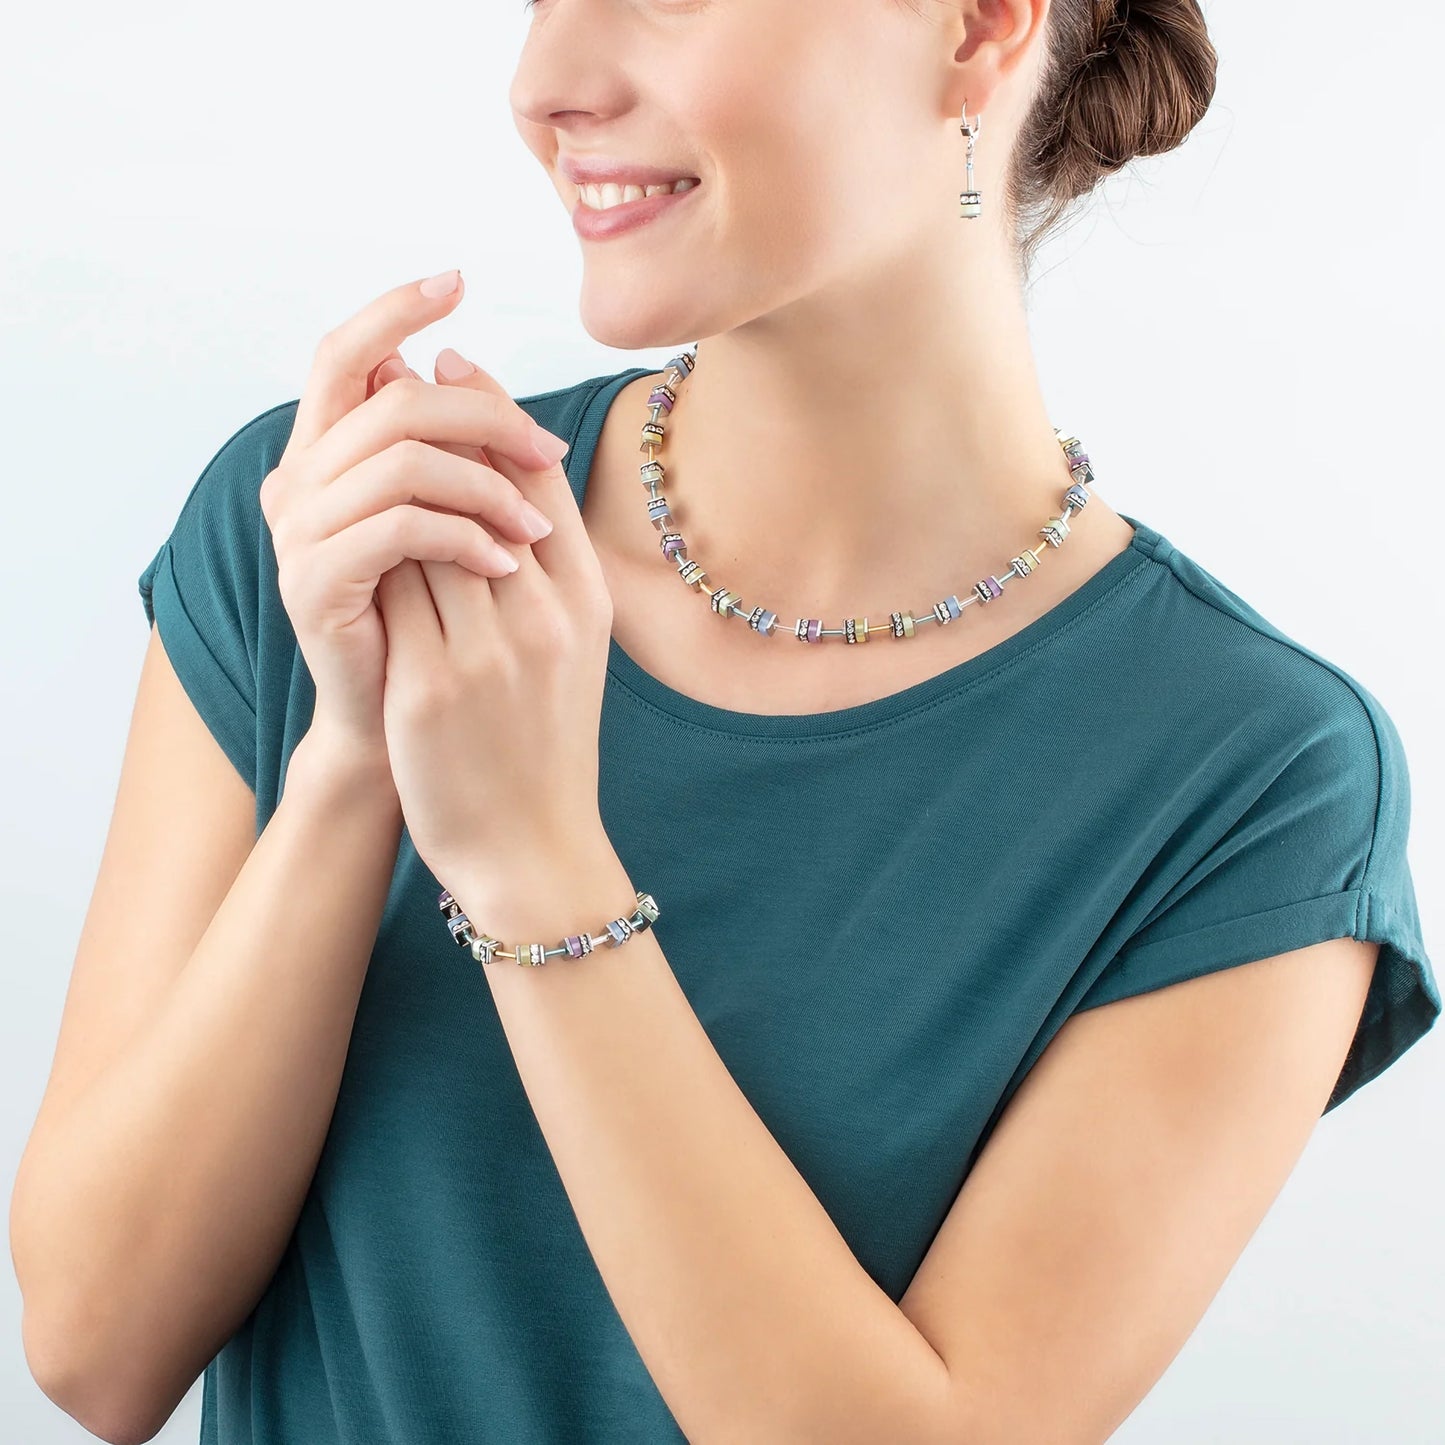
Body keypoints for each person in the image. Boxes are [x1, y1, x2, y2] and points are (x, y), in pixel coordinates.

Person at [13, 1, 1438, 1442]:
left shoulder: (1249, 780)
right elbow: (95, 1349)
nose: (544, 84)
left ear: (976, 28)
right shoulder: (346, 523)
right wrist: (351, 759)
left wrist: (531, 859)